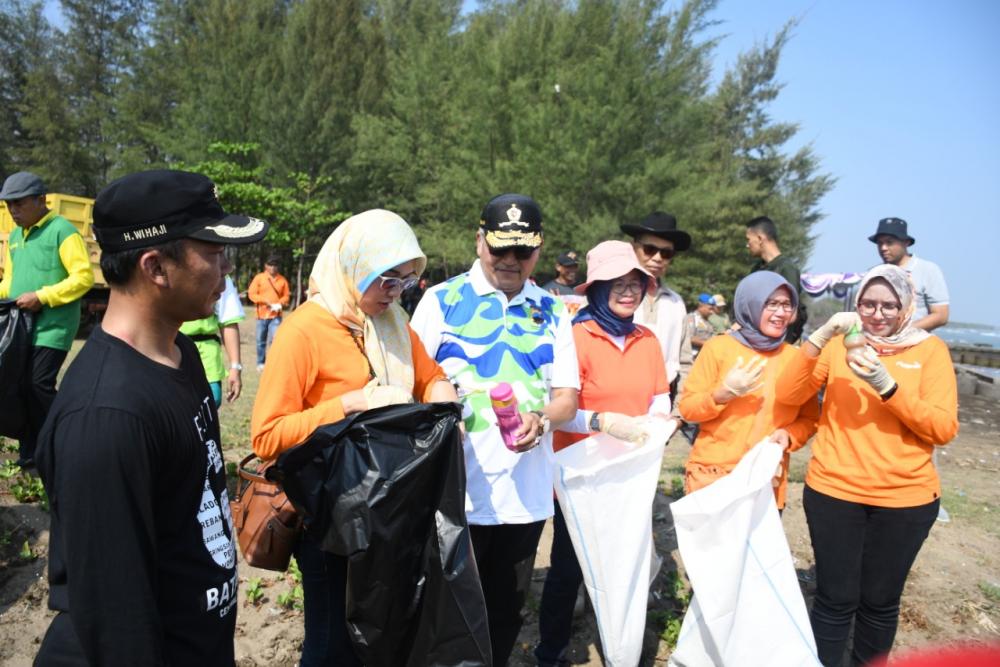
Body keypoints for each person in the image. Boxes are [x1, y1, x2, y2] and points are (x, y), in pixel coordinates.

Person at [34, 169, 269, 665]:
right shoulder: (107, 416)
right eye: (214, 251)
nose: (227, 269)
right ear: (156, 267)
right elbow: (118, 622)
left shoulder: (178, 355)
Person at [251, 209, 458, 667]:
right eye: (387, 279)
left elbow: (432, 377)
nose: (396, 292)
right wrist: (348, 405)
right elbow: (267, 436)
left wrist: (446, 407)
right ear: (351, 270)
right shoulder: (303, 330)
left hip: (388, 516)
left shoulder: (393, 324)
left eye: (406, 280)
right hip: (329, 520)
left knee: (379, 640)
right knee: (330, 646)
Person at [411, 193, 580, 666]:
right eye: (499, 248)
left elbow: (567, 398)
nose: (509, 261)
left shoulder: (552, 311)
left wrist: (543, 419)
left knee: (504, 615)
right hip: (452, 491)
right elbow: (410, 386)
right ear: (479, 240)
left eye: (522, 252)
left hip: (522, 496)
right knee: (444, 617)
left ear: (538, 250)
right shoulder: (440, 301)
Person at [774, 264, 958, 667]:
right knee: (834, 600)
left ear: (907, 306)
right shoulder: (840, 345)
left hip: (905, 499)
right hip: (834, 491)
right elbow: (788, 394)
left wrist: (887, 386)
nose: (877, 314)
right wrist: (817, 339)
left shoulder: (930, 351)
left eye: (888, 305)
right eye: (868, 304)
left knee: (878, 603)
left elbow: (943, 428)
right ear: (855, 305)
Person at [535, 240, 672, 667]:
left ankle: (620, 647)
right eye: (618, 284)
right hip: (581, 478)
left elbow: (659, 399)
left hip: (629, 477)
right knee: (568, 569)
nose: (629, 291)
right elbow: (562, 410)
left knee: (625, 566)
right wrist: (605, 422)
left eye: (635, 283)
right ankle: (550, 652)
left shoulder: (647, 339)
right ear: (596, 288)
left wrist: (656, 423)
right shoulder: (576, 336)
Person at [677, 272, 819, 509]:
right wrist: (722, 394)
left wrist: (790, 435)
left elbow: (810, 418)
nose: (781, 312)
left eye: (786, 305)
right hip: (715, 477)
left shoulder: (795, 358)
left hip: (766, 479)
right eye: (771, 304)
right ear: (750, 304)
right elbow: (688, 410)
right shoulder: (718, 348)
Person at [0, 171, 94, 468]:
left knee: (38, 385)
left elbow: (83, 277)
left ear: (41, 200)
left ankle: (66, 442)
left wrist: (42, 296)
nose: (13, 211)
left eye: (19, 203)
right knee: (20, 386)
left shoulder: (62, 230)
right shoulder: (15, 236)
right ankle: (31, 454)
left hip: (53, 328)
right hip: (20, 328)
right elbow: (10, 283)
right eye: (8, 205)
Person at [621, 211, 693, 400]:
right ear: (633, 248)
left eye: (666, 253)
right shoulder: (611, 296)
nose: (658, 257)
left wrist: (678, 413)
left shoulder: (676, 303)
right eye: (650, 249)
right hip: (616, 401)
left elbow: (685, 362)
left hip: (663, 401)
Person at [869, 217, 948, 331]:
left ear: (906, 243)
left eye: (889, 242)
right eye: (880, 243)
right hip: (876, 344)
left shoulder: (928, 270)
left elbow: (941, 315)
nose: (883, 248)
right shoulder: (874, 273)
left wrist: (900, 332)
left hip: (915, 344)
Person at [180, 275, 245, 406]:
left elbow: (228, 320)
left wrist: (235, 367)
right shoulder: (165, 265)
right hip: (168, 350)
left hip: (208, 356)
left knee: (211, 402)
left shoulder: (220, 274)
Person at [746, 215, 807, 343]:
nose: (747, 245)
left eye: (748, 240)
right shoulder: (756, 270)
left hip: (778, 344)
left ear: (760, 238)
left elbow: (791, 314)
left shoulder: (786, 269)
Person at [248, 254, 290, 370]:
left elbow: (286, 296)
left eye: (275, 265)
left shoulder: (282, 280)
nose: (272, 267)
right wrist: (264, 301)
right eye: (270, 265)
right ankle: (260, 363)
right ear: (266, 266)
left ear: (278, 267)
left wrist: (279, 303)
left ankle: (272, 363)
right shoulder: (259, 278)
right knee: (260, 341)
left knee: (275, 340)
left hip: (276, 316)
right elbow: (251, 294)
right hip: (261, 315)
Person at [687, 293, 717, 357]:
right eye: (710, 309)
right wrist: (708, 344)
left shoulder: (708, 323)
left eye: (713, 309)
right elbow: (689, 338)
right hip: (693, 357)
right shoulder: (691, 318)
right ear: (701, 306)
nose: (712, 312)